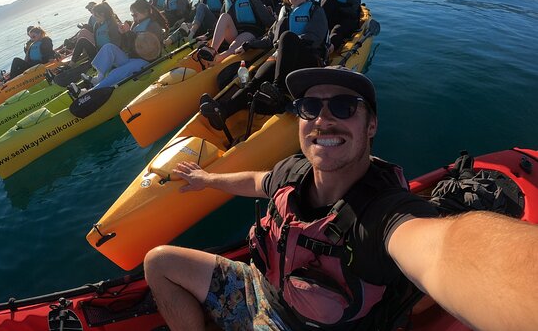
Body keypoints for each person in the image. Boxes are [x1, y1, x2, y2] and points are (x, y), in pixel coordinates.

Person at [144, 66, 538, 331]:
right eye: (310, 106)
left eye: (344, 106)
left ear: (372, 126)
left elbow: (443, 251)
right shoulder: (292, 171)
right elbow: (256, 181)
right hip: (261, 291)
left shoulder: (385, 217)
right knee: (159, 261)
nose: (322, 119)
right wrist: (206, 178)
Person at [200, 0, 328, 119]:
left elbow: (315, 38)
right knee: (256, 79)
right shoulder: (285, 13)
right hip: (281, 59)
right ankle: (224, 110)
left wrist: (288, 43)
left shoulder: (315, 10)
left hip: (307, 59)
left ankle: (277, 92)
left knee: (287, 37)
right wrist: (249, 44)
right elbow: (269, 38)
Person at [90, 0, 167, 88]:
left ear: (145, 12)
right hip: (132, 58)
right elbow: (128, 46)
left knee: (116, 72)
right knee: (108, 47)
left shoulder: (153, 26)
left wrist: (129, 33)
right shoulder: (136, 24)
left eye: (135, 15)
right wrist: (123, 34)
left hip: (145, 61)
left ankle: (93, 91)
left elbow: (148, 50)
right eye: (132, 15)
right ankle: (99, 78)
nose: (133, 17)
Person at [201, 0, 274, 63]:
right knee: (224, 16)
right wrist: (208, 34)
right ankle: (212, 50)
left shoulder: (252, 0)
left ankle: (219, 58)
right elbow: (219, 23)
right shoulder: (227, 1)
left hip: (251, 32)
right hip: (235, 32)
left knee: (238, 41)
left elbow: (268, 20)